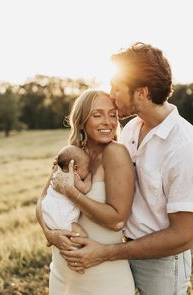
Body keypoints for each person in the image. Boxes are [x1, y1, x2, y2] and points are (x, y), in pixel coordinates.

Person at [52, 42, 193, 295]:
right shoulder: (131, 130)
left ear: (141, 92)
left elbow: (184, 236)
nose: (111, 95)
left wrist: (107, 253)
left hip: (159, 263)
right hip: (122, 249)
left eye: (117, 88)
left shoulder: (187, 149)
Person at [36, 89, 136, 295]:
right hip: (63, 274)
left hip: (103, 277)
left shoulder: (116, 153)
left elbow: (116, 220)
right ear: (81, 121)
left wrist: (73, 194)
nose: (107, 121)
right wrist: (51, 235)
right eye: (97, 115)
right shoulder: (72, 153)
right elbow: (43, 201)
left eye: (112, 114)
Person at [41, 144, 91, 237]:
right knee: (83, 235)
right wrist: (91, 175)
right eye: (88, 167)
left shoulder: (59, 173)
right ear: (75, 168)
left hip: (48, 215)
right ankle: (76, 249)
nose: (89, 169)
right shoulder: (72, 176)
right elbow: (85, 188)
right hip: (61, 218)